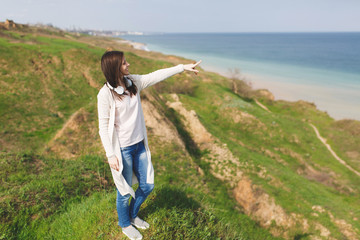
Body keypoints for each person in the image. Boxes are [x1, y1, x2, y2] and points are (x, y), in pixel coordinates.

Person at [97, 50, 201, 240]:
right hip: (123, 150)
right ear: (114, 68)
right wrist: (110, 155)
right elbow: (103, 127)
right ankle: (125, 224)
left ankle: (133, 215)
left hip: (139, 146)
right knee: (125, 190)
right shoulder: (105, 95)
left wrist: (182, 68)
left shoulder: (133, 82)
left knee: (148, 185)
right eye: (124, 63)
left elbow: (155, 76)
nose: (128, 65)